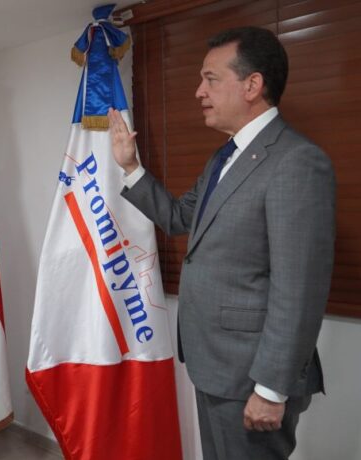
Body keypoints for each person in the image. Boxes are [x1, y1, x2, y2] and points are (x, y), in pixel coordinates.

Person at [109, 27, 335, 459]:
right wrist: (131, 166)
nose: (199, 91)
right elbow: (179, 218)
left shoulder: (297, 161)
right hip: (214, 364)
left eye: (210, 79)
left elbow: (300, 289)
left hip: (253, 376)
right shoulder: (225, 156)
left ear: (252, 85)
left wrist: (271, 389)